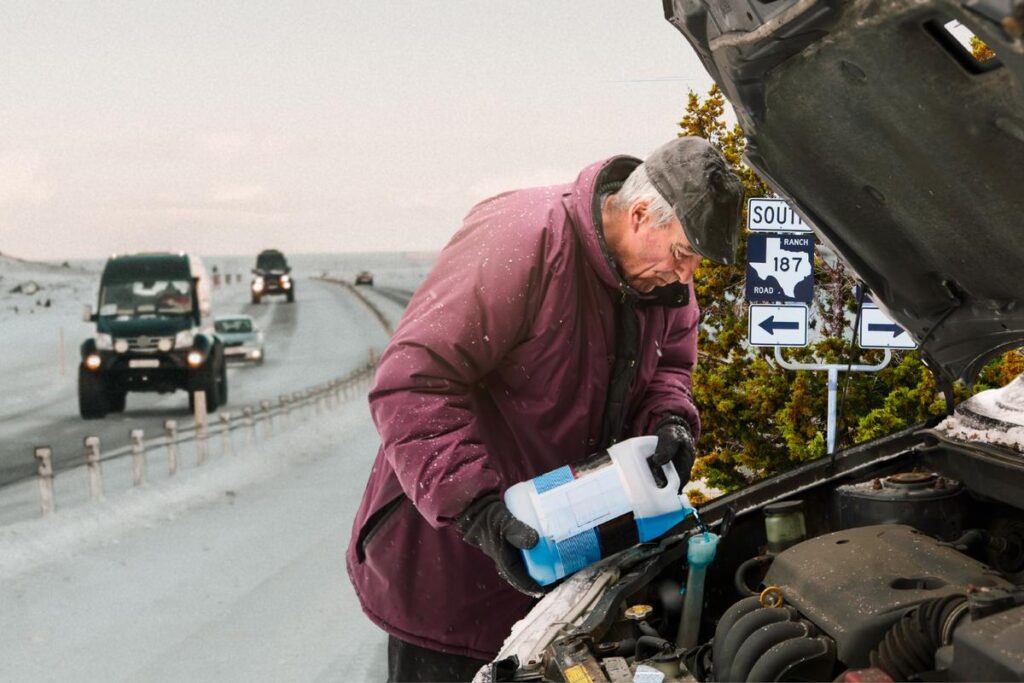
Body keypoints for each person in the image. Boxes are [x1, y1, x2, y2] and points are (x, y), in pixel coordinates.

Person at [346, 136, 744, 682]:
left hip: (561, 574)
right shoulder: (523, 241)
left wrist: (668, 421)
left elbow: (670, 366)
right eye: (681, 254)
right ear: (637, 215)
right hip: (453, 568)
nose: (687, 276)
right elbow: (412, 384)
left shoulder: (665, 284)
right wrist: (479, 511)